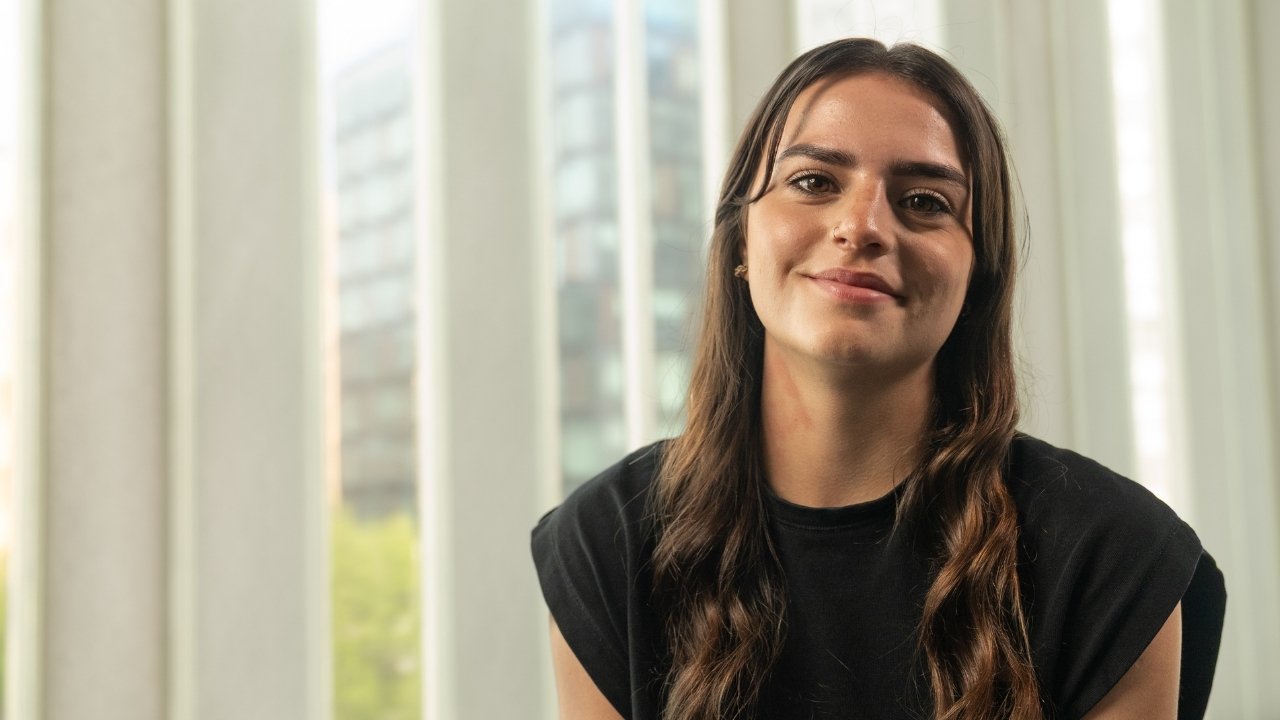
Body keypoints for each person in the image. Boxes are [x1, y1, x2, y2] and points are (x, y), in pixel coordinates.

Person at [531, 38, 1226, 720]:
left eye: (925, 201)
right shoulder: (608, 544)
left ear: (977, 274)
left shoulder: (1116, 558)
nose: (861, 227)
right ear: (741, 241)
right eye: (813, 183)